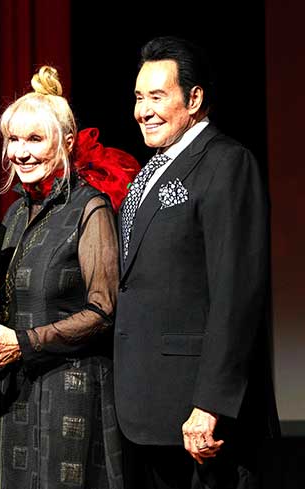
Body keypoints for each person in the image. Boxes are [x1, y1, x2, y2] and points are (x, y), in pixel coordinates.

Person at [113, 36, 280, 488]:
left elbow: (237, 293)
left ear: (194, 98)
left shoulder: (226, 162)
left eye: (156, 97)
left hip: (198, 417)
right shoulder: (152, 168)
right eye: (137, 97)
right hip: (145, 407)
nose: (142, 110)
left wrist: (211, 404)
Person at [0, 66, 139, 489]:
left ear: (67, 143)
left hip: (71, 391)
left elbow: (104, 311)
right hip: (12, 393)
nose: (20, 153)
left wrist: (23, 343)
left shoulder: (89, 209)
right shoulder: (16, 212)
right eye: (14, 140)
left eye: (35, 140)